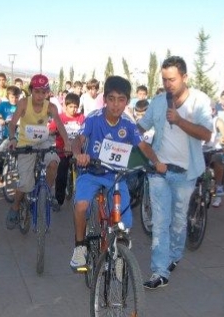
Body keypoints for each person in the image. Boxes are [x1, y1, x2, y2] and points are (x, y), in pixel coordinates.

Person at [69, 76, 161, 270]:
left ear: (127, 101)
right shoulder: (94, 118)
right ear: (105, 99)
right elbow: (78, 139)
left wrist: (157, 162)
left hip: (116, 177)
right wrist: (79, 154)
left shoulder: (128, 124)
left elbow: (143, 146)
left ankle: (118, 255)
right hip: (91, 171)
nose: (116, 104)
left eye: (121, 99)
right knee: (81, 206)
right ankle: (80, 247)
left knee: (123, 223)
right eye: (111, 99)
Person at [137, 56, 212, 289]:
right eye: (164, 79)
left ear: (184, 77)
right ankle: (160, 271)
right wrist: (124, 131)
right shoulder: (158, 101)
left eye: (172, 79)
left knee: (178, 222)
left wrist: (179, 121)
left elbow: (206, 134)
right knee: (160, 222)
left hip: (186, 174)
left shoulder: (199, 101)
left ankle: (175, 255)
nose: (168, 84)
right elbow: (141, 127)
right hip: (159, 170)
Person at [5, 74, 71, 229]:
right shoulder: (23, 103)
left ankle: (46, 194)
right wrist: (13, 139)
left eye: (44, 92)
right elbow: (12, 124)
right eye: (37, 92)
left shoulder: (51, 107)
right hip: (25, 145)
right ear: (31, 91)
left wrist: (67, 142)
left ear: (48, 92)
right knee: (25, 184)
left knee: (54, 162)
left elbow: (60, 126)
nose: (40, 95)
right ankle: (15, 207)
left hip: (43, 142)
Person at [48, 92, 84, 209]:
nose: (73, 109)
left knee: (84, 174)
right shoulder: (60, 117)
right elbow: (51, 130)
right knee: (61, 175)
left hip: (78, 151)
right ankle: (59, 200)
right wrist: (53, 131)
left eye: (75, 107)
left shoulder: (82, 118)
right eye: (71, 106)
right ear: (65, 106)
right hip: (63, 151)